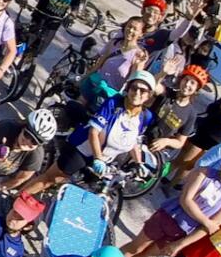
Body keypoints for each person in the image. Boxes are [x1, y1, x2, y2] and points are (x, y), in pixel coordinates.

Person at [120, 144, 221, 257]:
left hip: (182, 232)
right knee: (136, 247)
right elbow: (186, 200)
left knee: (147, 255)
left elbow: (211, 227)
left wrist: (180, 244)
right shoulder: (204, 173)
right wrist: (206, 221)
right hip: (167, 216)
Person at [22, 71, 159, 197]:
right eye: (134, 88)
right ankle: (15, 199)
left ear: (149, 95)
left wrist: (138, 162)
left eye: (143, 90)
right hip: (84, 150)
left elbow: (134, 140)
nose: (137, 93)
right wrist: (98, 158)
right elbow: (94, 132)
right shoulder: (113, 104)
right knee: (50, 179)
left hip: (106, 161)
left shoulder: (145, 117)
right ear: (128, 88)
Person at [80, 16, 147, 108]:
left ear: (141, 34)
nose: (130, 30)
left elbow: (134, 80)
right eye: (129, 26)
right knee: (78, 106)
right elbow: (99, 64)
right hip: (94, 83)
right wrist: (84, 77)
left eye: (135, 29)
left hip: (108, 94)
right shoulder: (115, 43)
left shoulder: (138, 55)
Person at [145, 64, 205, 157]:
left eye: (192, 83)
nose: (187, 84)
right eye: (186, 80)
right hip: (141, 134)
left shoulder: (191, 113)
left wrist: (166, 141)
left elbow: (180, 142)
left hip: (155, 148)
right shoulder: (167, 93)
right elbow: (152, 85)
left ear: (196, 89)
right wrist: (163, 73)